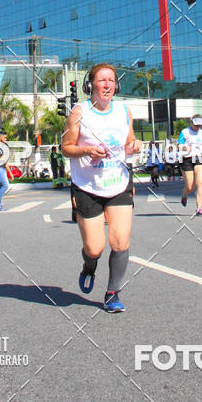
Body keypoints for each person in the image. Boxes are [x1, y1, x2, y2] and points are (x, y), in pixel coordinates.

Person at [61, 63, 141, 313]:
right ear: (90, 85)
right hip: (87, 186)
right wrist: (86, 150)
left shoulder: (124, 111)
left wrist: (134, 146)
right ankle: (89, 266)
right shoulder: (79, 112)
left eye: (111, 80)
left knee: (120, 242)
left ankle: (112, 294)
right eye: (102, 80)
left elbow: (129, 141)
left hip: (118, 183)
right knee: (95, 248)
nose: (107, 85)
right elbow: (66, 148)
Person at [178, 115, 202, 216]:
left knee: (200, 182)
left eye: (199, 125)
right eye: (196, 125)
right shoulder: (185, 132)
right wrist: (187, 148)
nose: (197, 127)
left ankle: (199, 208)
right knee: (190, 186)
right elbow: (179, 145)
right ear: (191, 123)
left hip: (199, 158)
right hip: (186, 159)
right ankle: (185, 195)